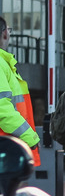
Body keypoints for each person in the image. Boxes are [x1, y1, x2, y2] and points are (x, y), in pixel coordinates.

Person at [0, 16, 40, 165]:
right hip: (6, 149)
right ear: (4, 33)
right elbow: (2, 109)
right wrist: (29, 137)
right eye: (9, 30)